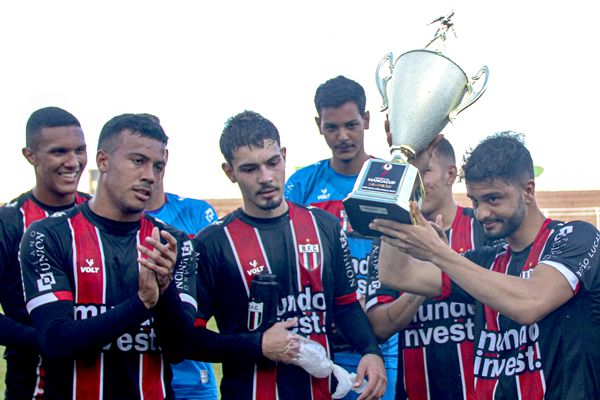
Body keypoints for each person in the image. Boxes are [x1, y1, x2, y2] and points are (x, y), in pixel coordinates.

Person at [371, 132, 600, 399]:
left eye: (493, 199)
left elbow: (531, 302)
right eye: (475, 201)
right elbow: (397, 274)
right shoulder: (486, 260)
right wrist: (408, 174)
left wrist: (439, 253)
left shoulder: (576, 237)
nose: (481, 213)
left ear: (528, 191)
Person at [192, 110, 386, 400]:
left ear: (283, 155)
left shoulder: (325, 227)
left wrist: (370, 351)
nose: (266, 177)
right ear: (229, 172)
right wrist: (257, 346)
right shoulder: (213, 243)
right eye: (249, 169)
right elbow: (188, 339)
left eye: (273, 162)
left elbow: (345, 306)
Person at [20, 113, 197, 399]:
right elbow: (55, 341)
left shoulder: (173, 243)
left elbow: (180, 349)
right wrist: (141, 304)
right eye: (138, 161)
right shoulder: (49, 235)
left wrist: (166, 293)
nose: (150, 176)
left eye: (158, 166)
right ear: (103, 161)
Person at [285, 75, 398, 399]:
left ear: (366, 120)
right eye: (332, 127)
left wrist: (375, 299)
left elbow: (408, 252)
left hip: (378, 339)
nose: (343, 136)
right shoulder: (301, 184)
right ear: (318, 124)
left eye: (351, 124)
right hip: (320, 338)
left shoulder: (388, 178)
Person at [365, 138, 491, 399]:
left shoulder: (484, 229)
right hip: (417, 390)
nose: (416, 184)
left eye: (424, 172)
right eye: (410, 175)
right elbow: (378, 327)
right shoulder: (392, 240)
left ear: (451, 174)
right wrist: (427, 276)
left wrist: (442, 261)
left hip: (481, 390)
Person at [0, 106, 89, 399]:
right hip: (34, 384)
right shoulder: (10, 222)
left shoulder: (102, 213)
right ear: (30, 155)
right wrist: (47, 339)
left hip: (103, 379)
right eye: (59, 152)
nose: (73, 162)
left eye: (80, 150)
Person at [146, 159, 219, 400]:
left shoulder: (196, 212)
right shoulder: (112, 223)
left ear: (164, 156)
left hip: (194, 377)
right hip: (138, 371)